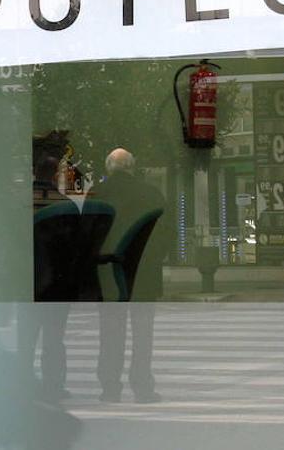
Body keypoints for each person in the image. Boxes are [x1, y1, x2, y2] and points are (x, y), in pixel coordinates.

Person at [91, 148, 168, 404]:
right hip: (143, 274)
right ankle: (142, 387)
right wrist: (153, 259)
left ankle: (110, 387)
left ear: (108, 168)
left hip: (109, 274)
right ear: (132, 167)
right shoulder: (150, 193)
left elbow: (90, 237)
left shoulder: (97, 194)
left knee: (110, 332)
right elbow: (164, 233)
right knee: (142, 333)